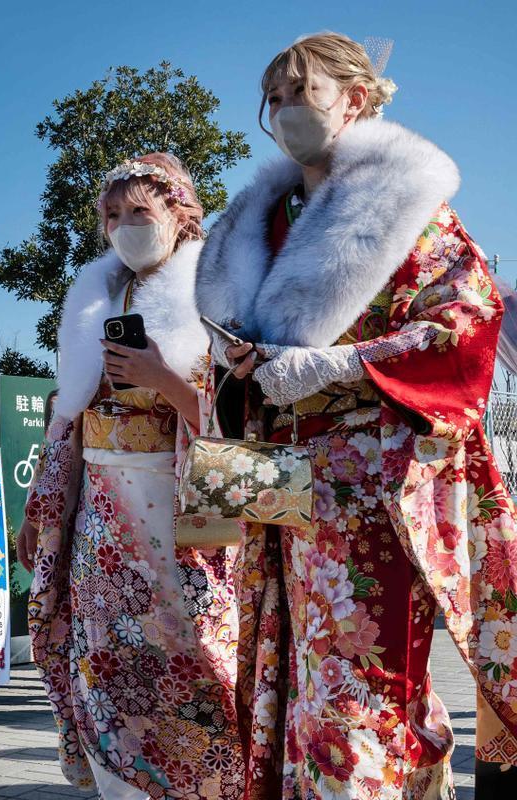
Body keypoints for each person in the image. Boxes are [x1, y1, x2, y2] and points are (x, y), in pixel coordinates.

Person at [196, 33, 517, 797]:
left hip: (372, 480)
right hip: (284, 479)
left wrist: (346, 361)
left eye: (300, 92)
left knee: (360, 672)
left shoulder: (409, 207)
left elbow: (467, 319)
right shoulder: (261, 218)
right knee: (295, 663)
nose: (282, 110)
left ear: (356, 100)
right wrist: (244, 362)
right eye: (272, 98)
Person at [17, 153, 244, 799]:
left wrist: (163, 381)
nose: (124, 226)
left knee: (202, 656)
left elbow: (248, 418)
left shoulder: (218, 289)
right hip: (104, 524)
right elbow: (66, 420)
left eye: (139, 211)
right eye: (112, 215)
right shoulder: (94, 297)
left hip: (183, 520)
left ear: (179, 212)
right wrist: (40, 506)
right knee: (108, 664)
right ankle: (124, 786)